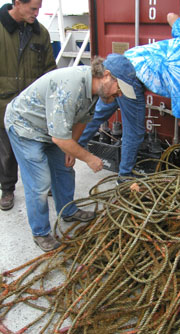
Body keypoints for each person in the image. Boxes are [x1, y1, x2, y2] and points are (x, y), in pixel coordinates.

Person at [78, 13, 180, 184]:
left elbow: (171, 16)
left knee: (98, 114)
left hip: (117, 63)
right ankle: (124, 177)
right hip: (130, 78)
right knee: (135, 132)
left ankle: (73, 147)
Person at [4, 57, 136, 252]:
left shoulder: (94, 92)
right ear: (107, 76)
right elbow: (59, 139)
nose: (119, 95)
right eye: (120, 89)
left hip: (51, 129)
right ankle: (40, 232)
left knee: (65, 170)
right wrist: (89, 158)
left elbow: (82, 120)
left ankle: (68, 211)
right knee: (39, 182)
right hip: (25, 126)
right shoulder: (70, 87)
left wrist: (72, 146)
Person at [0, 0, 56, 211]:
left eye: (39, 7)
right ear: (17, 3)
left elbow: (50, 70)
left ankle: (46, 183)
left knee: (42, 146)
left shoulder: (40, 32)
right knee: (6, 152)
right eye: (33, 8)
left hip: (33, 106)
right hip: (3, 103)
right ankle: (7, 189)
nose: (37, 13)